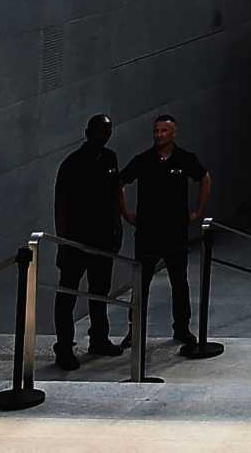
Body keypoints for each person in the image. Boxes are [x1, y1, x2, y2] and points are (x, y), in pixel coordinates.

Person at [118, 114, 211, 355]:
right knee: (141, 283)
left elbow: (204, 178)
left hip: (175, 231)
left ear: (173, 133)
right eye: (156, 131)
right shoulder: (144, 160)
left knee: (179, 282)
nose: (159, 135)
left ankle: (181, 328)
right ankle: (134, 329)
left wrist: (198, 211)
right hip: (148, 231)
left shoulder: (184, 159)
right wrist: (126, 213)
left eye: (164, 131)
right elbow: (120, 182)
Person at [52, 114, 124, 369]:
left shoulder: (110, 158)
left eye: (107, 131)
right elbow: (61, 206)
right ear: (87, 132)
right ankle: (63, 347)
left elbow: (114, 196)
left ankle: (99, 338)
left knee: (100, 291)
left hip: (102, 238)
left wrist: (118, 228)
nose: (103, 136)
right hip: (76, 240)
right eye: (99, 131)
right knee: (68, 293)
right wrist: (63, 242)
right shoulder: (72, 164)